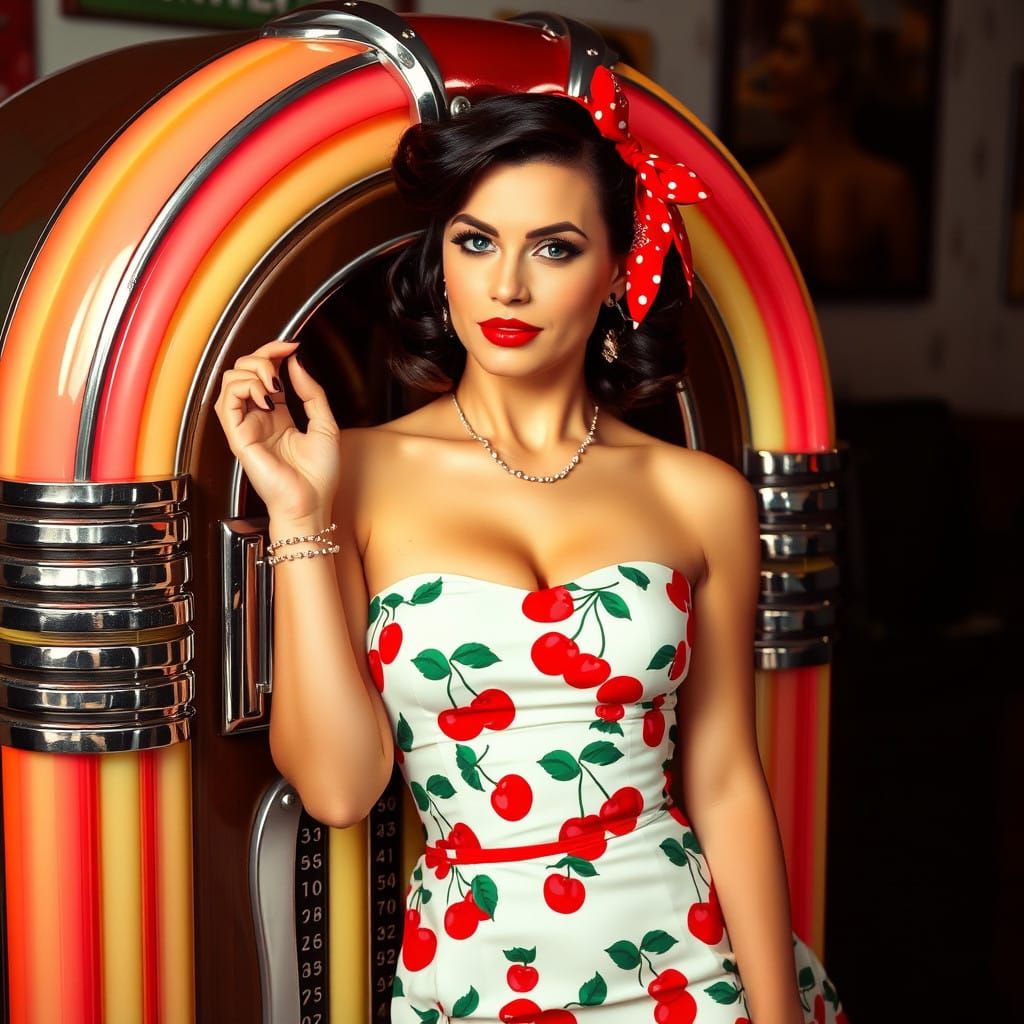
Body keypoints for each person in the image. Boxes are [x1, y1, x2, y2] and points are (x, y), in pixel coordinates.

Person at [214, 65, 848, 1024]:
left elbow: (724, 778)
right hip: (475, 978)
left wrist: (777, 1014)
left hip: (697, 970)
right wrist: (298, 521)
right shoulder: (359, 477)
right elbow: (342, 787)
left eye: (554, 247)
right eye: (477, 242)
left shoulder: (700, 495)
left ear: (617, 268)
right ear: (444, 260)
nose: (506, 283)